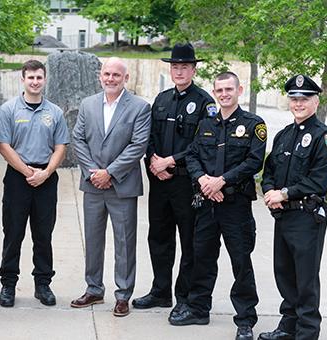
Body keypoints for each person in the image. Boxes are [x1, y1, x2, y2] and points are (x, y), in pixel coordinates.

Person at [168, 71, 265, 340]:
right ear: (215, 91)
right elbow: (193, 155)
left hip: (235, 205)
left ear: (239, 90)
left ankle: (245, 320)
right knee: (202, 258)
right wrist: (203, 181)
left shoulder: (254, 123)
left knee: (241, 262)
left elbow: (254, 161)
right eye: (219, 90)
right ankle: (199, 308)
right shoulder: (206, 124)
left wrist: (221, 181)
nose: (224, 94)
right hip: (208, 202)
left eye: (229, 89)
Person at [132, 42, 216, 317]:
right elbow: (149, 137)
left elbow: (203, 144)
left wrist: (171, 161)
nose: (179, 72)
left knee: (189, 241)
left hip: (186, 183)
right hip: (159, 180)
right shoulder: (162, 99)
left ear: (193, 69)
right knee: (158, 237)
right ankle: (160, 291)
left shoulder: (205, 103)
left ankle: (185, 296)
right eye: (175, 67)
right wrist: (154, 161)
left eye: (184, 67)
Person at [70, 57, 151, 317]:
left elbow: (138, 145)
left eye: (117, 75)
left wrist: (110, 173)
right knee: (93, 240)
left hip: (122, 186)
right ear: (100, 75)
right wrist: (94, 173)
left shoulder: (139, 107)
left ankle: (123, 295)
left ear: (125, 78)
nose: (111, 79)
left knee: (124, 242)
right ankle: (93, 289)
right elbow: (77, 139)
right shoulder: (88, 104)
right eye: (107, 74)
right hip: (93, 184)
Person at [259, 75, 327, 340]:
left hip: (307, 217)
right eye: (294, 99)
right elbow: (269, 169)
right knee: (284, 273)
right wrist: (269, 191)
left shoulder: (325, 138)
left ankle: (307, 333)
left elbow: (318, 180)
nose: (298, 103)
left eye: (304, 99)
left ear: (316, 101)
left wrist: (282, 193)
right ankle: (288, 327)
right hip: (283, 215)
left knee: (305, 279)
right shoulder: (284, 135)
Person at [0, 60, 70, 307]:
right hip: (18, 178)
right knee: (13, 233)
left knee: (43, 234)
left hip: (46, 179)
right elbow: (4, 146)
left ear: (44, 80)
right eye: (31, 77)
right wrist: (27, 171)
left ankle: (43, 284)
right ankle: (8, 284)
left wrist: (45, 173)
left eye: (39, 77)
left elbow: (60, 148)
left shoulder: (55, 112)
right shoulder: (9, 110)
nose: (35, 82)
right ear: (23, 80)